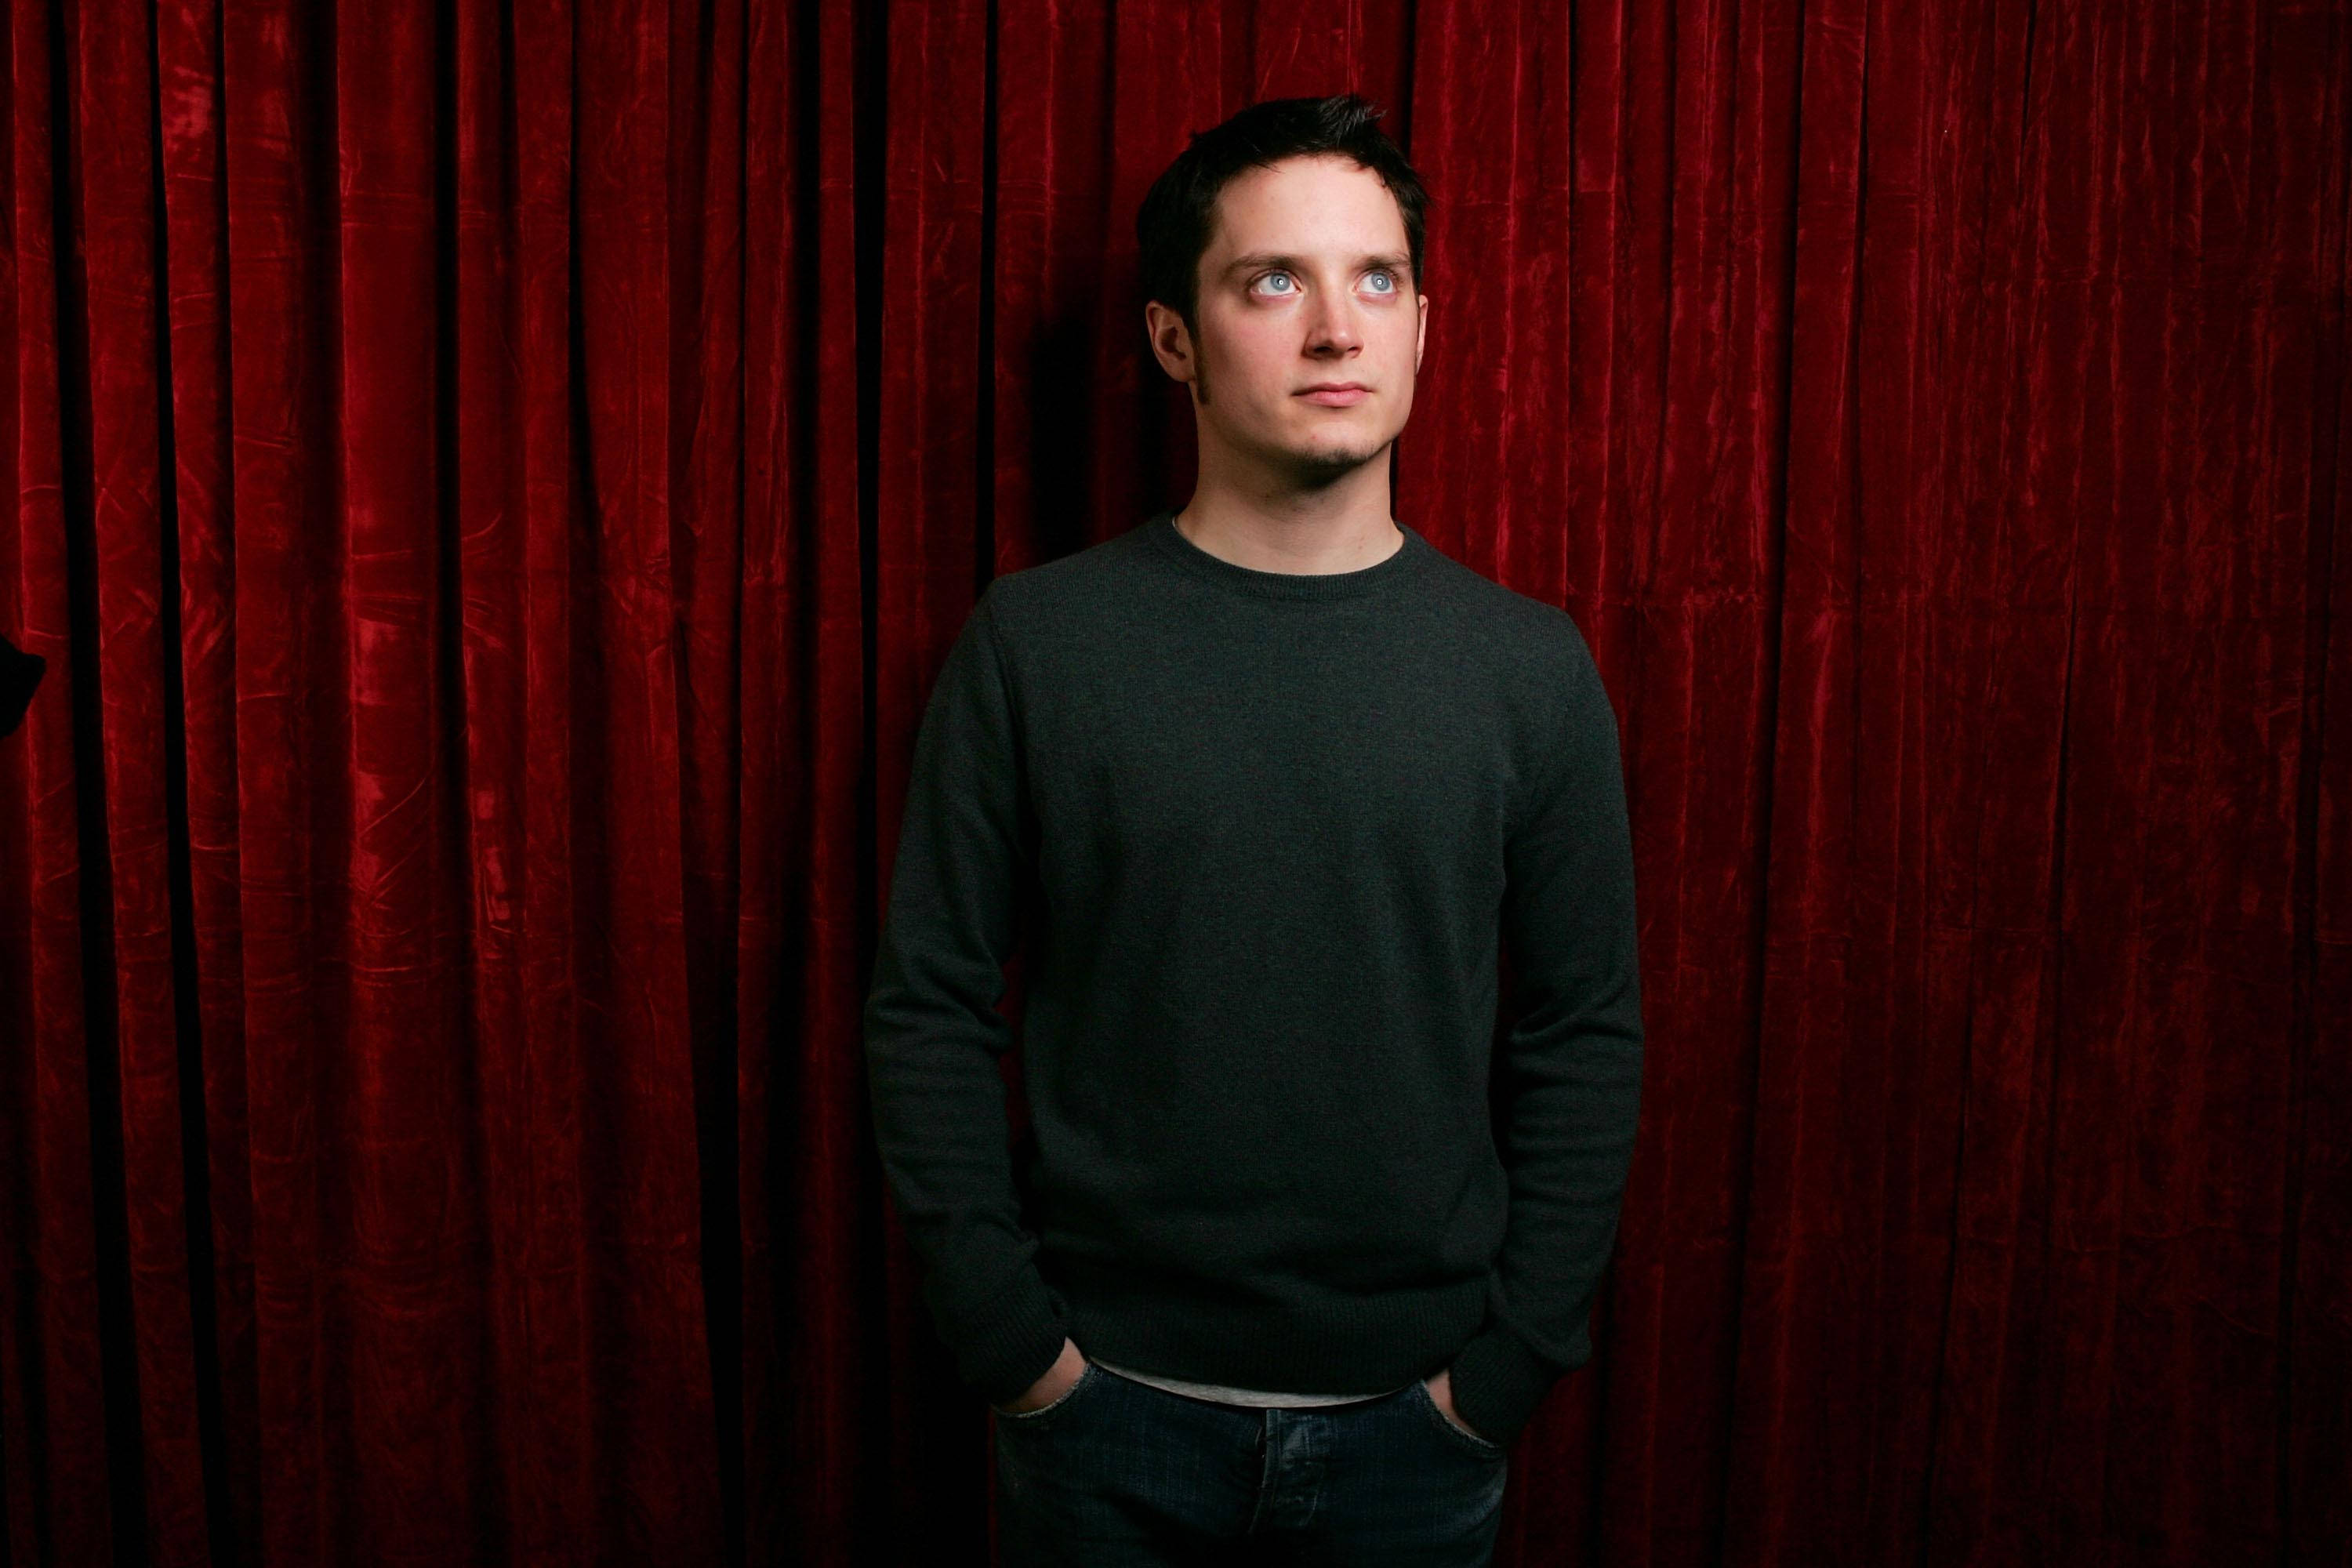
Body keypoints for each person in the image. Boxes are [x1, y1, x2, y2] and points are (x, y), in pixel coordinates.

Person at [862, 92, 1644, 1565]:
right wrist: (1017, 1352)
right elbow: (931, 1009)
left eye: (1376, 279)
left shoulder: (1528, 673)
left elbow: (1584, 1033)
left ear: (1421, 324)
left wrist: (1506, 1370)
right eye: (1273, 280)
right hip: (1104, 1419)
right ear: (1176, 340)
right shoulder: (1038, 647)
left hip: (1419, 1433)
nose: (1336, 329)